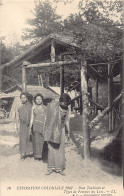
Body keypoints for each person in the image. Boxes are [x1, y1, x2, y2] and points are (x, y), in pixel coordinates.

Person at [44, 93, 71, 175]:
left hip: (61, 129)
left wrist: (69, 132)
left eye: (67, 103)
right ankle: (51, 167)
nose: (65, 104)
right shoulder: (52, 107)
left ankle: (59, 168)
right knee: (51, 147)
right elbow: (47, 118)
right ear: (60, 101)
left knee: (60, 148)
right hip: (52, 129)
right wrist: (46, 130)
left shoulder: (67, 109)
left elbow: (67, 121)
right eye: (64, 102)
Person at [29, 93, 46, 161]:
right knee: (36, 140)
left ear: (42, 100)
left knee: (42, 141)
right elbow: (32, 118)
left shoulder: (45, 107)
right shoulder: (33, 107)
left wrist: (44, 127)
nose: (38, 100)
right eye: (37, 99)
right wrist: (30, 127)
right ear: (35, 100)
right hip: (35, 126)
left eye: (40, 99)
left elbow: (46, 118)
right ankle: (36, 156)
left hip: (42, 125)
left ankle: (42, 155)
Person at [16, 92, 32, 159]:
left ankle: (29, 153)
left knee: (28, 138)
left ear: (27, 98)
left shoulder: (30, 105)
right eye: (21, 98)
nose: (23, 99)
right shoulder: (18, 106)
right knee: (22, 139)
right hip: (22, 124)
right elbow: (17, 116)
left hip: (28, 125)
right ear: (20, 98)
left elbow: (32, 116)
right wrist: (17, 125)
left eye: (24, 97)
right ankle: (23, 154)